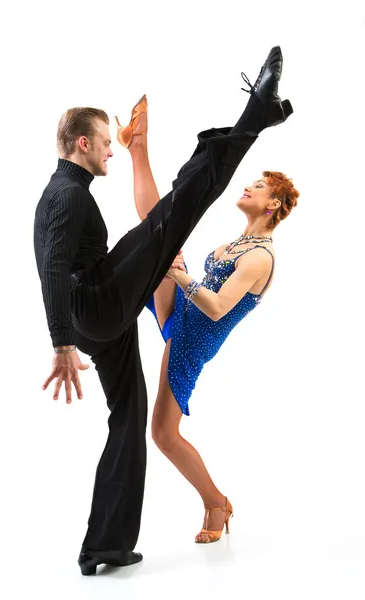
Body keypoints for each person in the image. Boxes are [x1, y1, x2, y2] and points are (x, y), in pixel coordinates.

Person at [33, 46, 293, 574]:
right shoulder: (65, 196)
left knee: (130, 422)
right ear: (82, 144)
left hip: (109, 316)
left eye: (115, 145)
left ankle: (105, 545)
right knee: (176, 210)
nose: (108, 150)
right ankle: (256, 113)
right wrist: (61, 341)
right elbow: (52, 268)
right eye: (107, 144)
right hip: (98, 306)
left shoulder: (70, 192)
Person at [118, 97, 299, 543]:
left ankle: (216, 502)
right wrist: (178, 273)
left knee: (162, 433)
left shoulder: (260, 256)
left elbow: (217, 308)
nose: (249, 187)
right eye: (252, 181)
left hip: (193, 339)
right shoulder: (239, 243)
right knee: (160, 231)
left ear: (273, 205)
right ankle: (137, 147)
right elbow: (201, 289)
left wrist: (179, 275)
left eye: (259, 186)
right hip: (182, 313)